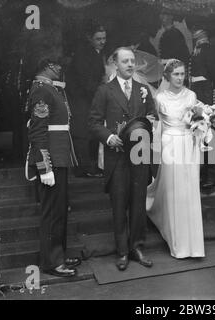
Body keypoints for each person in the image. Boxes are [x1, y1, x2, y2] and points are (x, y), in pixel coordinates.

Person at [146, 59, 215, 259]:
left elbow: (197, 119)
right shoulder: (160, 98)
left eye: (182, 74)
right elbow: (157, 125)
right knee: (174, 189)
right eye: (176, 74)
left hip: (189, 144)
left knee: (189, 189)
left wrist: (203, 122)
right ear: (167, 76)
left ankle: (194, 245)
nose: (180, 78)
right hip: (170, 143)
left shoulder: (191, 96)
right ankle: (178, 244)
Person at [89, 47, 156, 271]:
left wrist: (148, 123)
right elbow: (94, 122)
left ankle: (137, 247)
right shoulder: (104, 91)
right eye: (125, 61)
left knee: (138, 203)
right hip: (116, 156)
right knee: (119, 204)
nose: (130, 65)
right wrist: (109, 138)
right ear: (115, 64)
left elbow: (152, 117)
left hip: (139, 154)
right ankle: (122, 251)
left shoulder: (143, 89)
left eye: (132, 61)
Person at [25, 53, 81, 277]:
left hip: (59, 157)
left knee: (60, 210)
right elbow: (37, 132)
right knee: (52, 212)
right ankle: (51, 262)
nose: (60, 69)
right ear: (48, 66)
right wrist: (43, 166)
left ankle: (59, 255)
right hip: (50, 160)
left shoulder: (50, 89)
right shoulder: (41, 90)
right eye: (57, 65)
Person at [188, 25, 215, 193]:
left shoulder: (208, 49)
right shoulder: (197, 50)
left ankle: (212, 175)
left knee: (209, 135)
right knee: (199, 133)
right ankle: (205, 173)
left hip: (207, 94)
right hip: (197, 93)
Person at [67, 23, 107, 178]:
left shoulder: (95, 53)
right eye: (98, 39)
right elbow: (86, 82)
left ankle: (89, 167)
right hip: (81, 98)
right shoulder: (84, 54)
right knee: (82, 133)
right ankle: (83, 168)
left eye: (104, 38)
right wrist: (102, 95)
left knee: (88, 132)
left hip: (89, 97)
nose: (102, 42)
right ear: (89, 38)